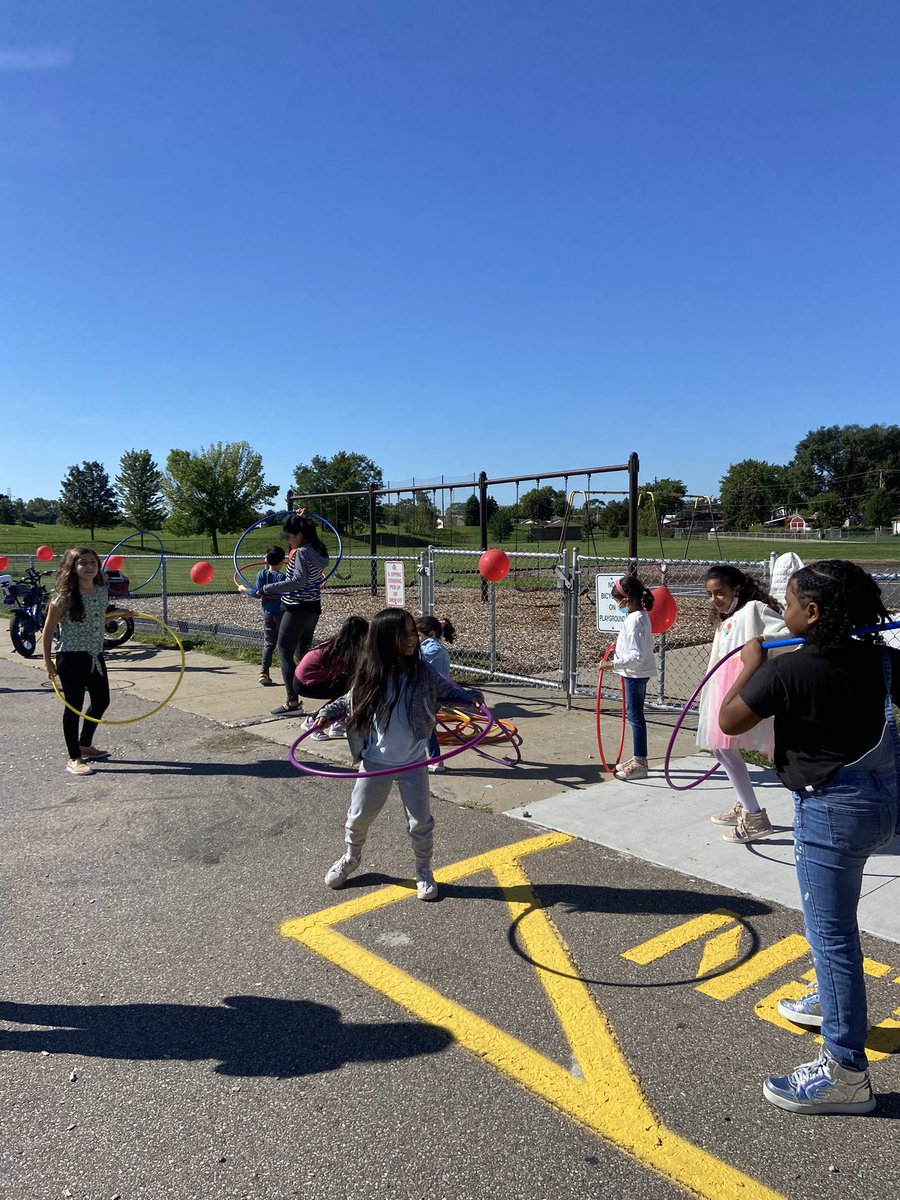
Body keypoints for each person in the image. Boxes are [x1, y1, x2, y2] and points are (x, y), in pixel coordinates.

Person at [718, 560, 899, 1114]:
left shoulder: (788, 670)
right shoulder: (885, 660)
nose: (785, 612)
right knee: (835, 930)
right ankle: (831, 1000)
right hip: (883, 803)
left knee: (831, 934)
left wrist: (750, 664)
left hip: (830, 813)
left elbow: (730, 721)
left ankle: (846, 1074)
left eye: (791, 604)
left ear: (813, 613)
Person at [311, 608, 483, 901]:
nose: (411, 639)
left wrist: (472, 697)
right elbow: (346, 701)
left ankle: (423, 869)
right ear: (384, 639)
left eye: (413, 632)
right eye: (402, 634)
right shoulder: (370, 674)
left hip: (413, 762)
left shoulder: (423, 673)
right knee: (358, 816)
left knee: (420, 822)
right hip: (375, 762)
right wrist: (326, 714)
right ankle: (351, 857)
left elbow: (450, 689)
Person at [697, 565, 789, 843]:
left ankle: (754, 815)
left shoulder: (754, 610)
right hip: (722, 689)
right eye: (710, 594)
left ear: (737, 589)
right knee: (721, 748)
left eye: (719, 593)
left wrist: (762, 640)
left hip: (744, 686)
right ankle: (744, 801)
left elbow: (788, 631)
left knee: (724, 748)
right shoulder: (726, 620)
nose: (714, 599)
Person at [41, 546, 134, 777]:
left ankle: (84, 744)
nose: (89, 566)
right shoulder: (64, 596)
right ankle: (74, 757)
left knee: (102, 701)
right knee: (74, 707)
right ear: (72, 567)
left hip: (95, 655)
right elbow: (48, 629)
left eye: (93, 562)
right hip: (71, 657)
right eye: (83, 562)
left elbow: (98, 614)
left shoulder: (101, 591)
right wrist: (48, 661)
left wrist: (119, 612)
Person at [239, 513, 329, 715]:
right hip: (312, 607)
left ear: (299, 535)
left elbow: (297, 581)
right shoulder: (317, 550)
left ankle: (292, 703)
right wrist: (302, 521)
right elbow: (304, 570)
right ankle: (322, 687)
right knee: (302, 653)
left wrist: (267, 589)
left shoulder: (300, 553)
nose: (287, 541)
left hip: (296, 608)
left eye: (289, 537)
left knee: (284, 652)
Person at [609, 575, 656, 781]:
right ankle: (639, 758)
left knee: (635, 717)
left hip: (635, 674)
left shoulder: (635, 620)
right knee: (634, 716)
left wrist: (612, 664)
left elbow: (637, 656)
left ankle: (640, 763)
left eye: (617, 600)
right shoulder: (639, 616)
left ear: (627, 599)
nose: (617, 604)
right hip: (635, 673)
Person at [297, 616, 369, 740]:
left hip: (303, 679)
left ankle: (337, 725)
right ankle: (312, 722)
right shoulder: (343, 650)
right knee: (349, 690)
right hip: (305, 683)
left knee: (349, 685)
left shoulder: (339, 642)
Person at [415, 614, 456, 774]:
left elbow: (433, 651)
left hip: (432, 694)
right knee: (427, 726)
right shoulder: (428, 644)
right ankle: (434, 760)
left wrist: (413, 657)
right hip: (432, 693)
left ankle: (435, 760)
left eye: (418, 635)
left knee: (425, 726)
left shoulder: (432, 645)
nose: (416, 639)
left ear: (431, 634)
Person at [241, 546, 286, 686]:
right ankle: (290, 672)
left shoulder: (261, 574)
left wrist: (244, 589)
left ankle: (264, 672)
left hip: (267, 613)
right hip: (280, 613)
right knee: (284, 643)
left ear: (267, 560)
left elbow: (257, 593)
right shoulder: (282, 577)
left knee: (269, 643)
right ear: (282, 562)